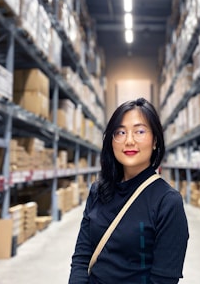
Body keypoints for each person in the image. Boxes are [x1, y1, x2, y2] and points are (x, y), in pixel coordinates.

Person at [69, 97, 189, 284]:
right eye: (120, 132)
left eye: (140, 131)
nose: (129, 141)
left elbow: (163, 279)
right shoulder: (98, 191)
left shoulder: (167, 202)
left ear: (155, 140)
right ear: (111, 140)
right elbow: (82, 256)